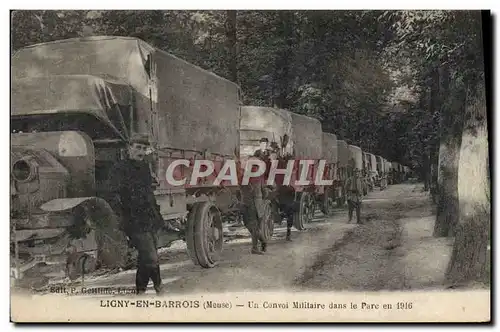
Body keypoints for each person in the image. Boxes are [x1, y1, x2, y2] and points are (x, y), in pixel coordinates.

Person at [108, 134, 164, 295]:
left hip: (149, 218)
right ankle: (159, 286)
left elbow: (149, 195)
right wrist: (121, 220)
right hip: (132, 220)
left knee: (146, 256)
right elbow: (114, 196)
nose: (140, 151)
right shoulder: (119, 168)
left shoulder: (145, 168)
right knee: (151, 256)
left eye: (143, 148)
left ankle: (141, 290)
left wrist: (157, 217)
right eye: (137, 147)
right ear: (129, 148)